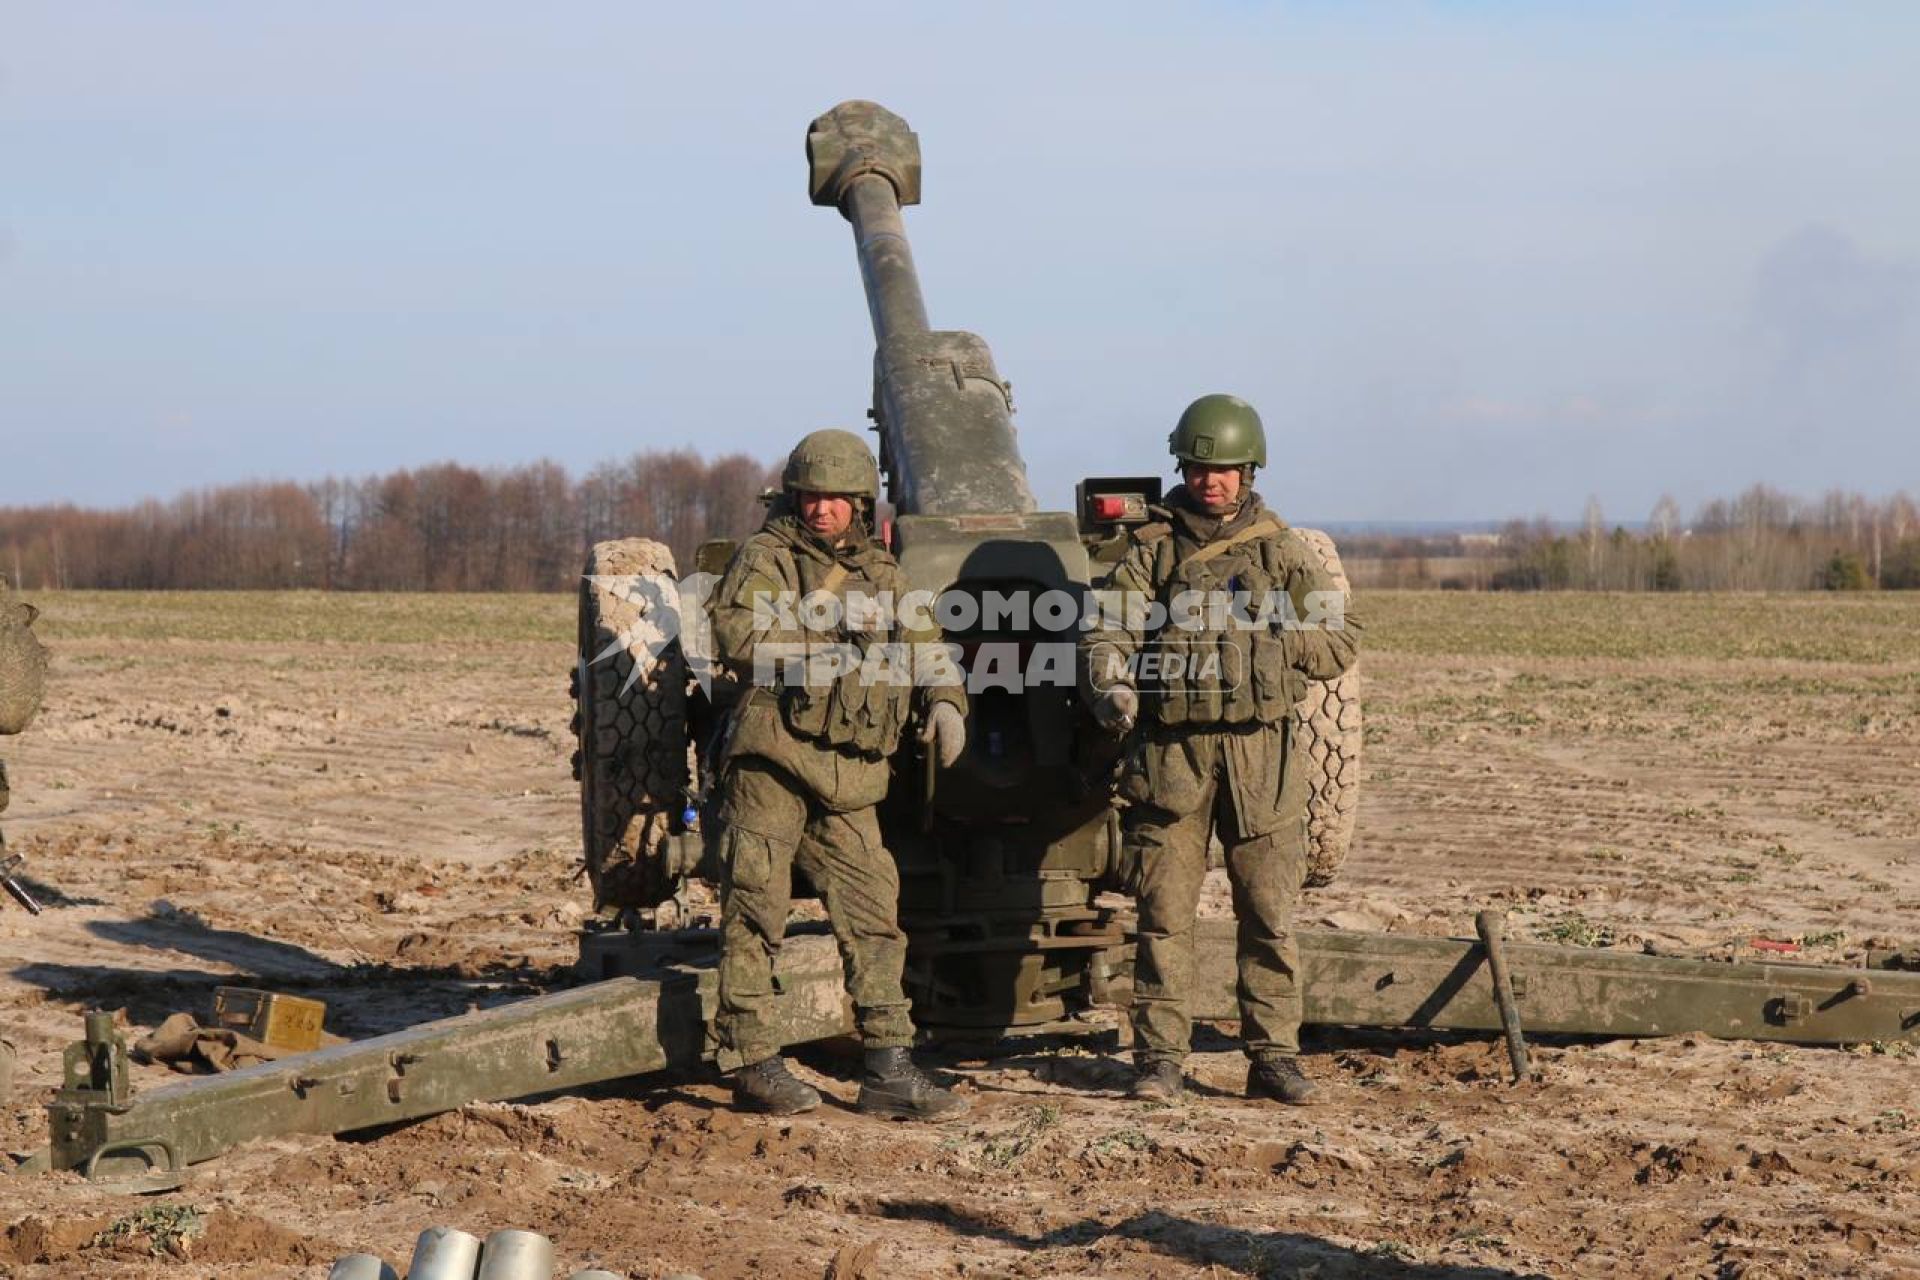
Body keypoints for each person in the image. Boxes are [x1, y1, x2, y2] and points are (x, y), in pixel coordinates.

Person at [1081, 394, 1361, 1105]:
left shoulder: (1280, 548)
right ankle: (1159, 1061)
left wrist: (1273, 637)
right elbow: (1107, 630)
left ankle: (1273, 1058)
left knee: (1268, 917)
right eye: (1202, 468)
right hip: (1170, 757)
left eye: (1228, 469)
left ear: (1249, 470)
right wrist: (1111, 685)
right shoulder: (1152, 547)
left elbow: (1339, 640)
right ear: (1182, 468)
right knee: (1164, 919)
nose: (1214, 481)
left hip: (1261, 759)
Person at [706, 429, 969, 1120]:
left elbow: (928, 649)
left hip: (851, 774)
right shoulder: (768, 557)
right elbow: (737, 636)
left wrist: (945, 701)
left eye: (836, 498)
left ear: (860, 502)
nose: (822, 510)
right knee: (755, 910)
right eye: (810, 496)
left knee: (876, 917)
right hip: (775, 761)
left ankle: (888, 1066)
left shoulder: (885, 574)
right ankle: (754, 1060)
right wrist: (827, 621)